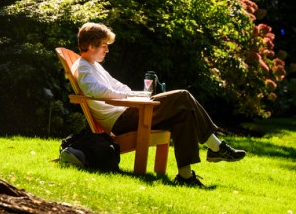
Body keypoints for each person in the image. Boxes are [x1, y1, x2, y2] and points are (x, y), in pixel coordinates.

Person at [72, 22, 245, 187]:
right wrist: (127, 96)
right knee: (183, 96)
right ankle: (216, 147)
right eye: (104, 45)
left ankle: (185, 176)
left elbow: (116, 85)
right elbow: (94, 90)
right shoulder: (83, 67)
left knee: (182, 115)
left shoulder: (94, 65)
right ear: (91, 45)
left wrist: (137, 94)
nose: (107, 50)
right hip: (120, 119)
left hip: (128, 111)